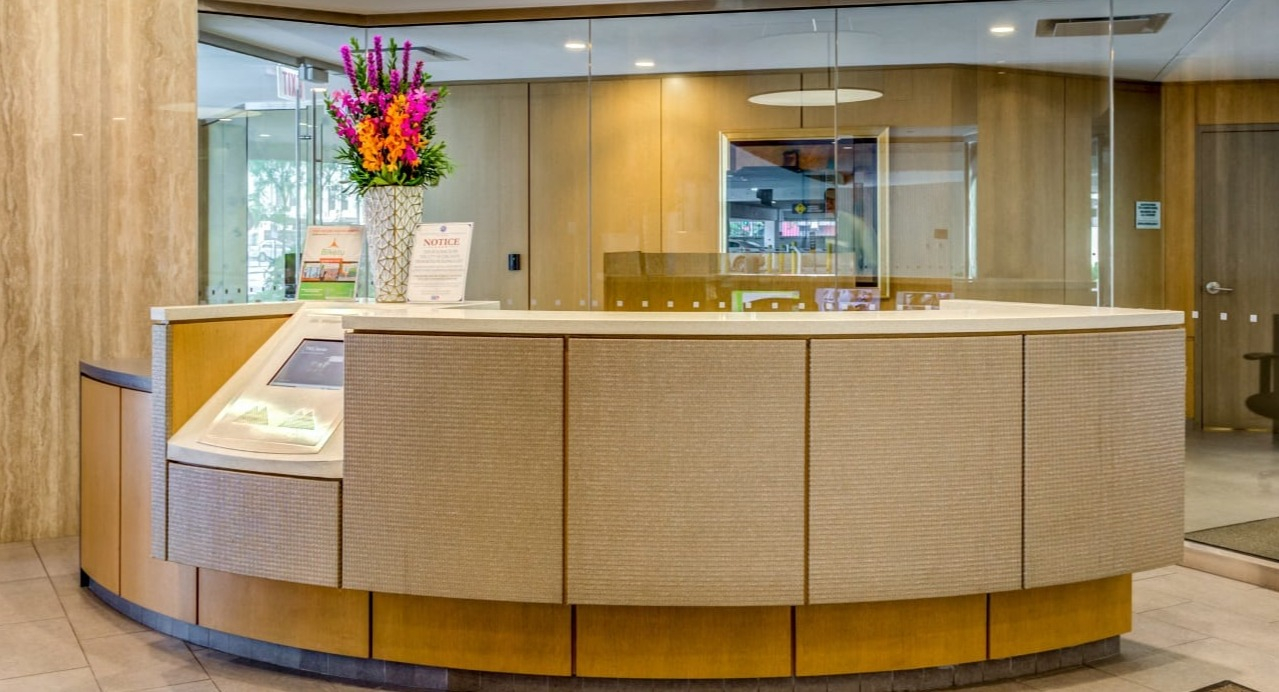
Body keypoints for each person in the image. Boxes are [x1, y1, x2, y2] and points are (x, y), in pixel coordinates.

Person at [824, 186, 876, 277]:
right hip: (832, 278)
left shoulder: (858, 224)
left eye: (832, 199)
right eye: (827, 199)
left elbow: (871, 261)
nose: (828, 203)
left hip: (853, 279)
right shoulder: (829, 223)